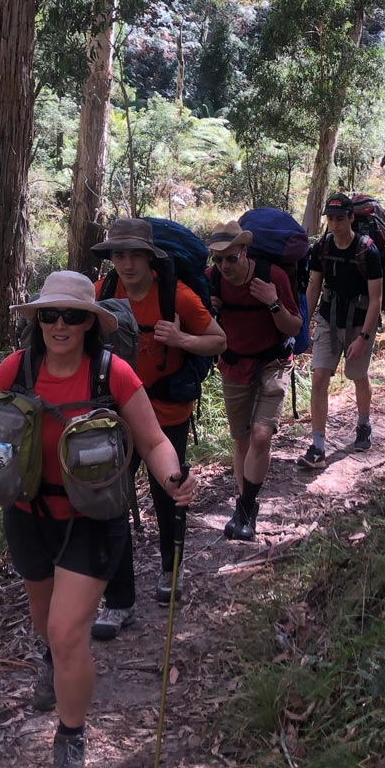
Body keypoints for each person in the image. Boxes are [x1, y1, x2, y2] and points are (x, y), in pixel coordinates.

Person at [0, 271, 198, 768]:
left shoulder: (112, 373)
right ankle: (56, 664)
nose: (59, 325)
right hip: (28, 514)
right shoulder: (14, 370)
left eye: (72, 316)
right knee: (46, 626)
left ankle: (71, 734)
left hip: (92, 518)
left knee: (64, 631)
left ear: (88, 324)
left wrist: (173, 478)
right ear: (37, 321)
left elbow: (153, 440)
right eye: (50, 315)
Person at [88, 218, 227, 641]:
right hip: (114, 415)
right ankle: (119, 600)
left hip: (167, 412)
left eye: (134, 255)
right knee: (110, 500)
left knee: (170, 493)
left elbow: (218, 341)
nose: (126, 264)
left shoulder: (177, 296)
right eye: (119, 254)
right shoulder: (103, 294)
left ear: (151, 259)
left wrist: (182, 340)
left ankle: (171, 570)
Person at [206, 220, 302, 541]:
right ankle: (244, 509)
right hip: (234, 366)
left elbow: (294, 327)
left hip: (273, 363)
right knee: (242, 439)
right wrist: (209, 309)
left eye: (231, 258)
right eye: (218, 260)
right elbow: (199, 325)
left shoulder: (272, 277)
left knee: (261, 435)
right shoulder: (213, 282)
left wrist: (272, 301)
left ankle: (246, 509)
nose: (225, 266)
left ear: (244, 251)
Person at [298, 195, 385, 469]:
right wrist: (304, 324)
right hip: (328, 319)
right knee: (320, 377)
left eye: (339, 219)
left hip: (360, 322)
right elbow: (313, 287)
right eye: (330, 219)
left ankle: (363, 424)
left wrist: (364, 338)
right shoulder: (322, 247)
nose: (334, 224)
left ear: (351, 218)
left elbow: (376, 300)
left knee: (357, 375)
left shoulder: (367, 251)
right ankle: (318, 446)